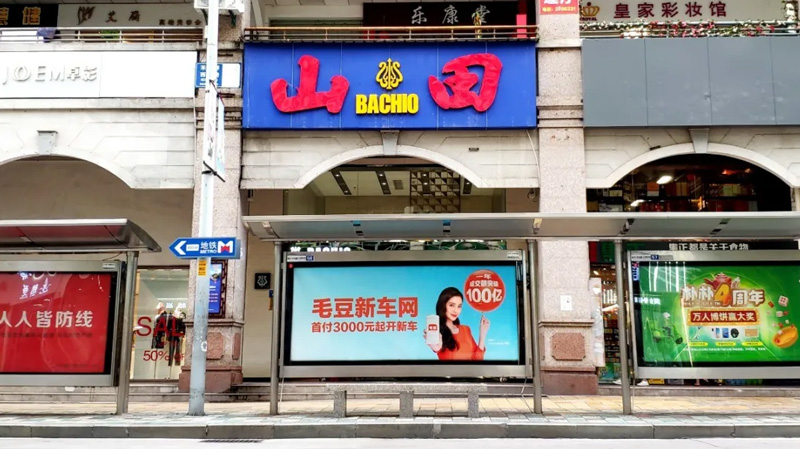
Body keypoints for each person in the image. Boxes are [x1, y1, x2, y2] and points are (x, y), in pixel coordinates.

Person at [424, 287, 489, 360]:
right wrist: (435, 346)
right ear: (443, 305)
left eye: (459, 306)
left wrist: (483, 333)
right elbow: (436, 348)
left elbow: (477, 360)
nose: (456, 310)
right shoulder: (438, 332)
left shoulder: (466, 329)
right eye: (452, 305)